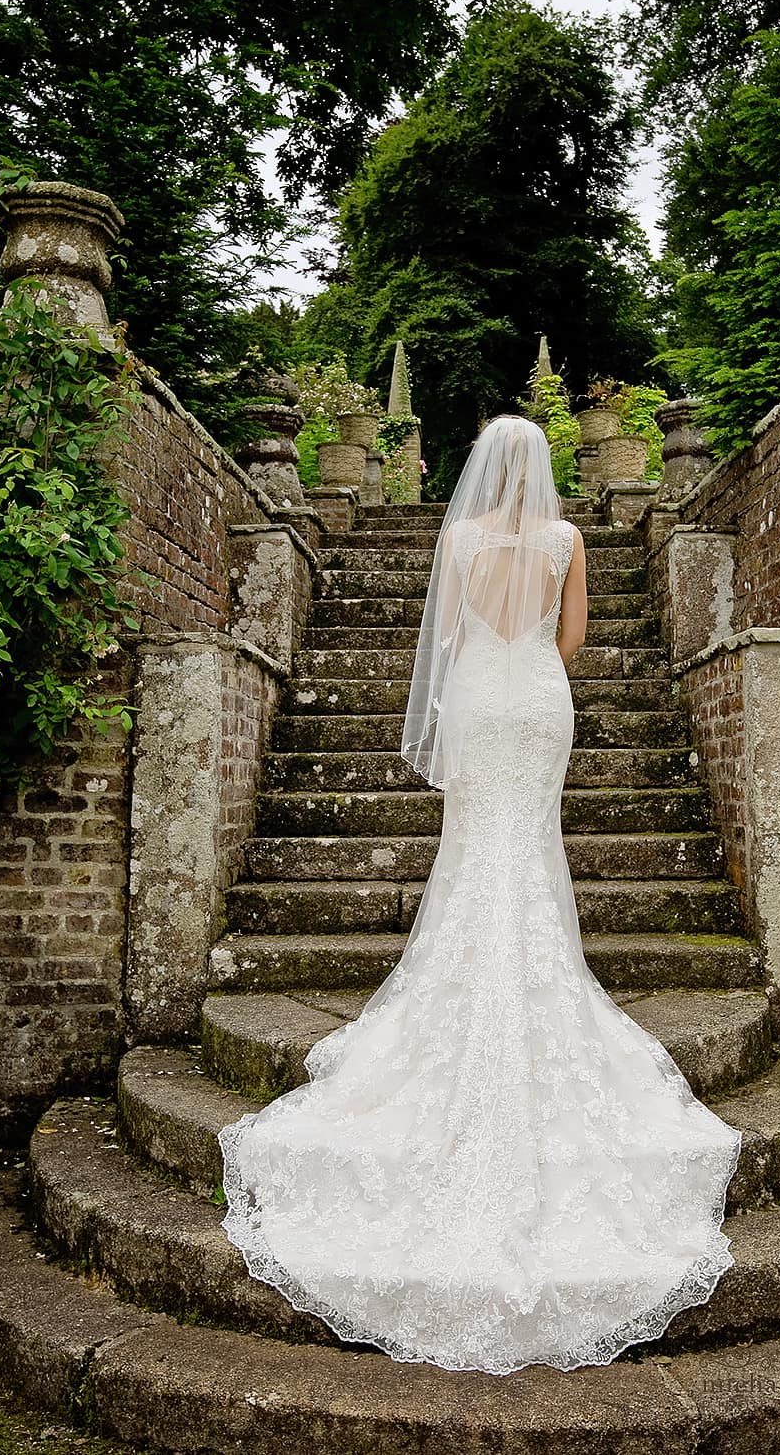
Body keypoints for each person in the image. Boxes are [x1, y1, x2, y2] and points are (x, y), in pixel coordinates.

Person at [217, 414, 742, 1376]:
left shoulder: (456, 538)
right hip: (537, 699)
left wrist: (490, 656)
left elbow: (448, 637)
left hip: (479, 699)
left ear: (480, 471)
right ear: (541, 470)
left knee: (475, 850)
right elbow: (575, 638)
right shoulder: (566, 539)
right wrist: (532, 645)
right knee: (530, 851)